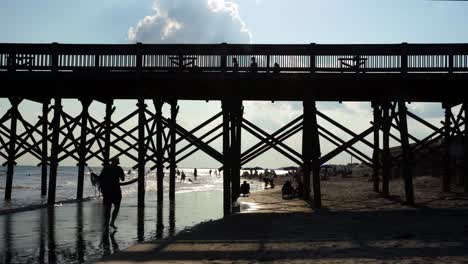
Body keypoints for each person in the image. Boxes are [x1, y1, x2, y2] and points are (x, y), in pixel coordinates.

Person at [99, 156, 125, 229]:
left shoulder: (106, 168)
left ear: (111, 161)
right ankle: (112, 222)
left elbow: (100, 178)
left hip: (107, 191)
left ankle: (106, 223)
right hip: (116, 190)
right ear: (117, 162)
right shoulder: (119, 168)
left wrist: (101, 188)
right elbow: (123, 179)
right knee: (116, 207)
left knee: (107, 208)